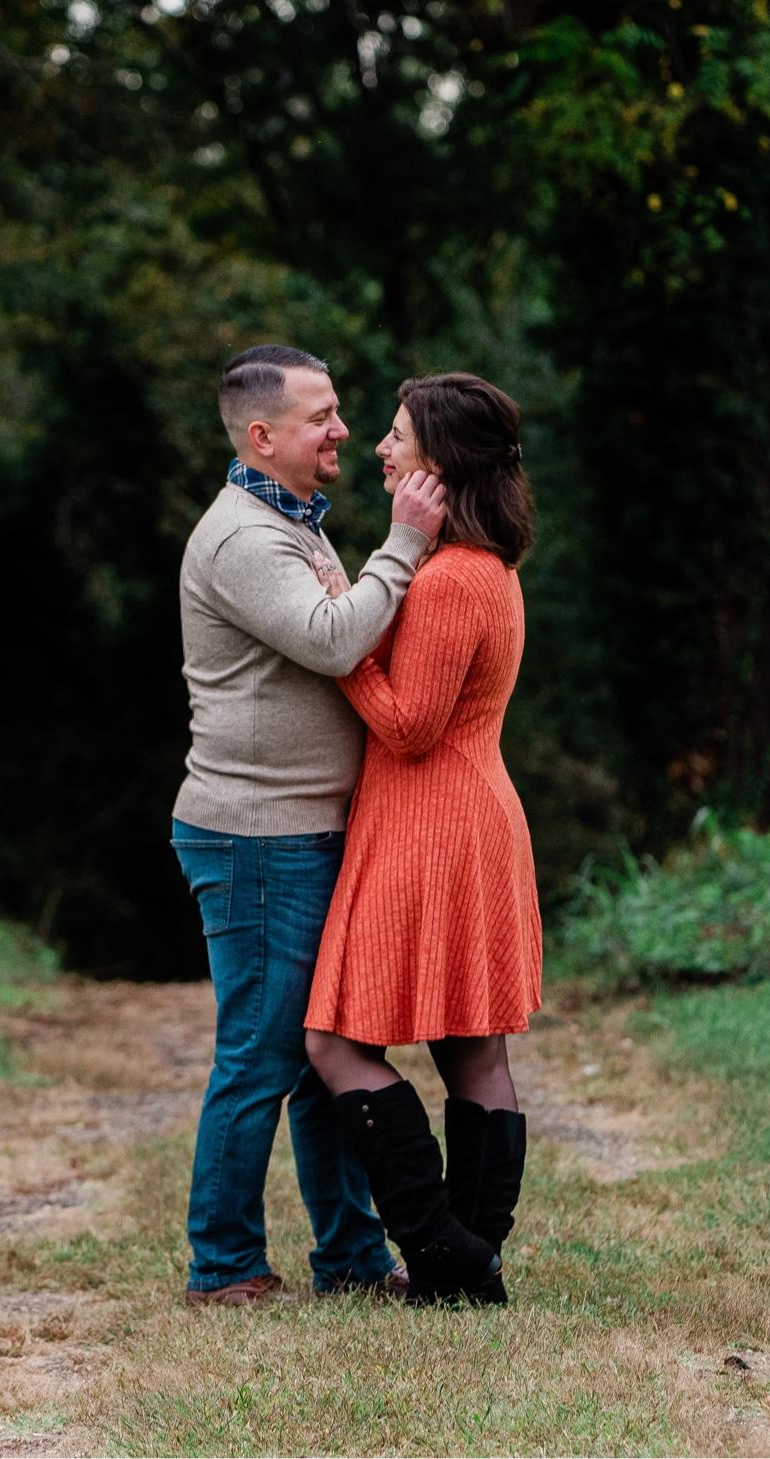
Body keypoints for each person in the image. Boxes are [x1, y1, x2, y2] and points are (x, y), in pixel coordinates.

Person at [169, 343, 450, 1306]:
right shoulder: (243, 539)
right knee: (264, 1052)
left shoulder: (293, 523)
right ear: (263, 435)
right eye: (321, 416)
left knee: (331, 1050)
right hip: (256, 835)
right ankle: (223, 1264)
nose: (343, 429)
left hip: (307, 828)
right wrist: (405, 543)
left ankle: (352, 1257)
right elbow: (335, 639)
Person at [303, 371, 542, 1306]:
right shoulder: (491, 567)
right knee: (474, 1048)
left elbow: (407, 727)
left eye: (397, 435)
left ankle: (447, 1251)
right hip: (469, 815)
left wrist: (346, 650)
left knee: (334, 1041)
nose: (379, 446)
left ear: (438, 463)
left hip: (432, 825)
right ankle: (466, 1267)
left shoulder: (447, 582)